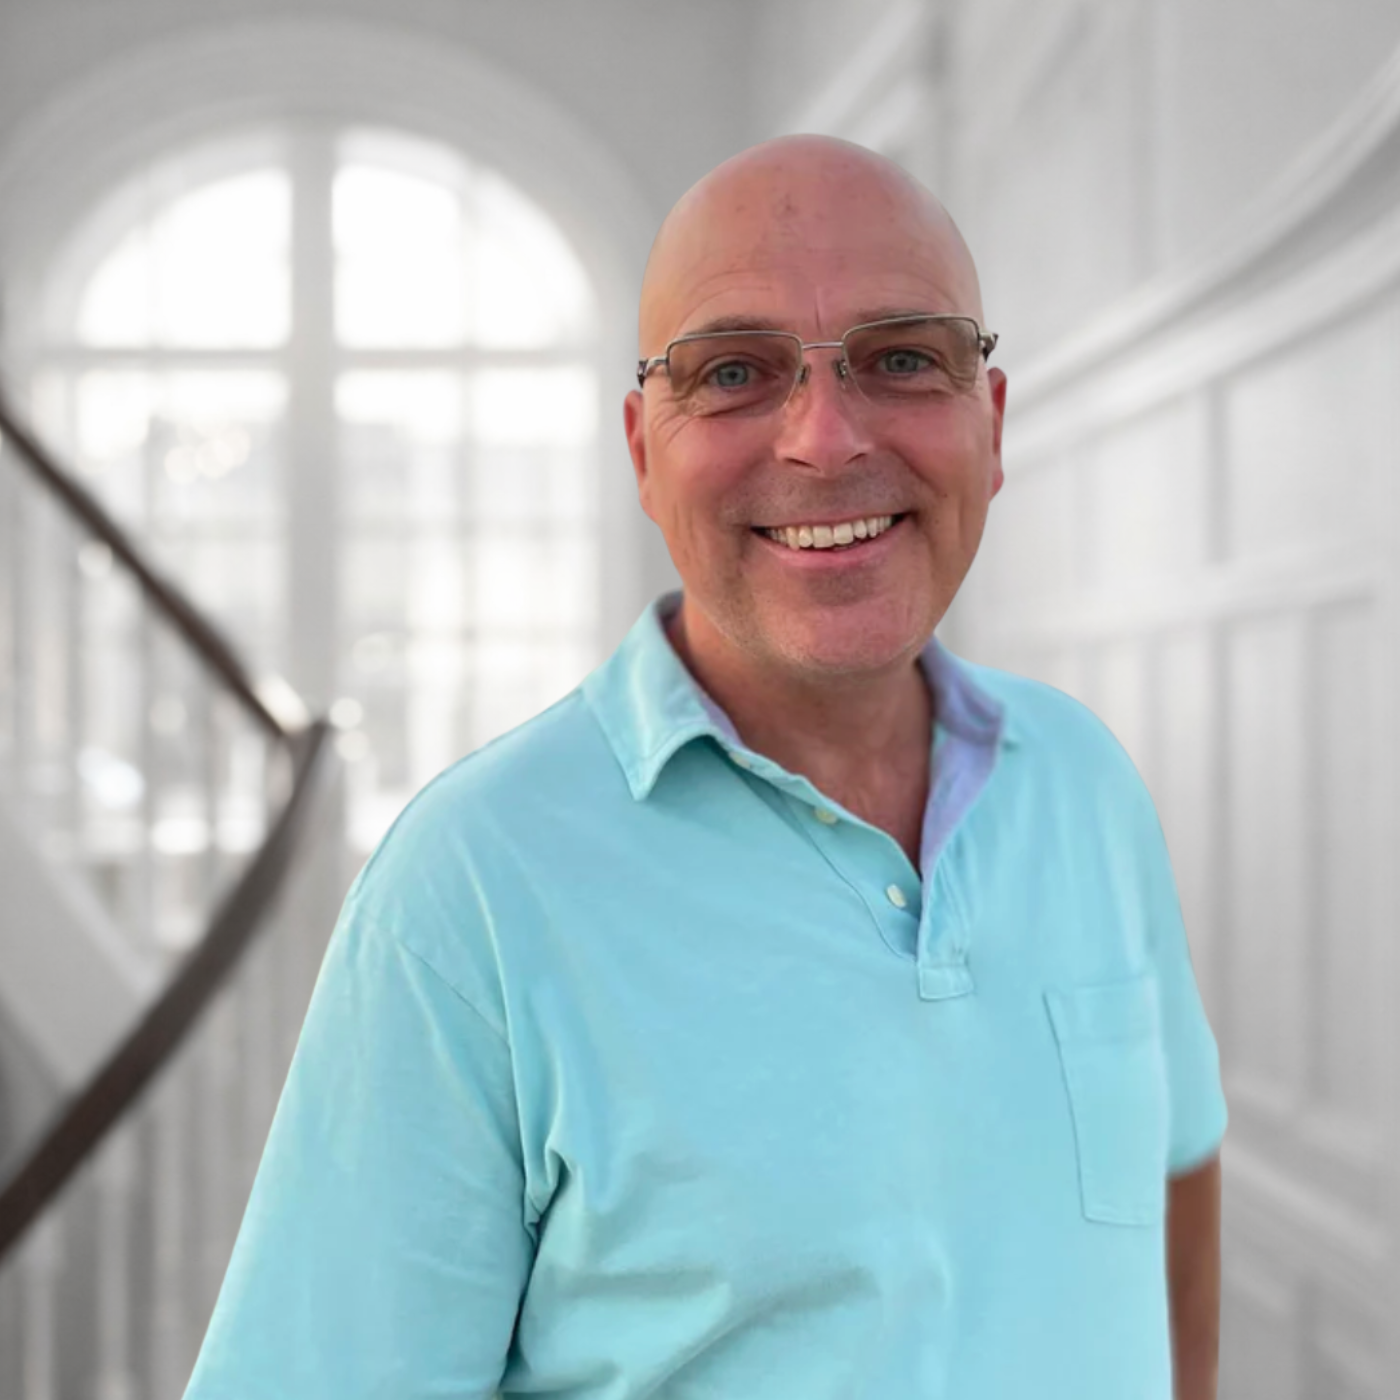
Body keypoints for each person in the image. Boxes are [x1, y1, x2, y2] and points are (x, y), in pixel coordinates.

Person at [182, 135, 1227, 1400]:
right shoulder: (471, 886)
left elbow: (1174, 1166)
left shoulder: (1082, 778)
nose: (824, 438)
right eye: (732, 372)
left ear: (990, 423)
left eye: (902, 357)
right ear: (642, 450)